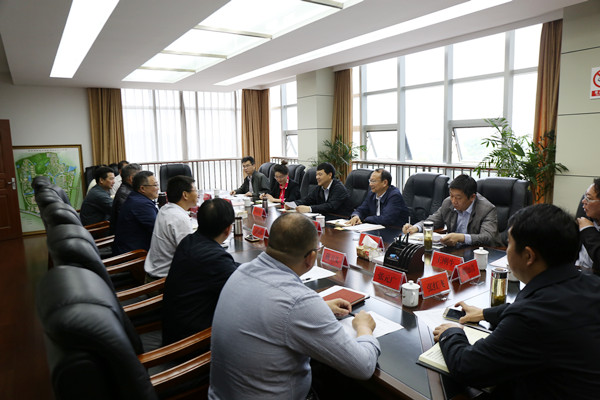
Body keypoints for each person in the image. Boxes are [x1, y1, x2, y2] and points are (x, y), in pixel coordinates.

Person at [432, 204, 600, 399]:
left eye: (509, 244)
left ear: (528, 256)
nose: (506, 250)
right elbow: (554, 311)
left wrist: (452, 333)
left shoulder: (530, 317)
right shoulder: (592, 285)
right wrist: (485, 313)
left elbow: (468, 368)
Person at [208, 213, 380, 399]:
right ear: (311, 257)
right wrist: (364, 328)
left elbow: (275, 309)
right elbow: (363, 367)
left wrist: (318, 307)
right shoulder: (298, 303)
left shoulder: (241, 271)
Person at [162, 198, 238, 345]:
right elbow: (242, 290)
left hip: (175, 327)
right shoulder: (215, 258)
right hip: (191, 343)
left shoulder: (190, 240)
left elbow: (229, 269)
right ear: (228, 229)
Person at [402, 174, 500, 247]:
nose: (453, 201)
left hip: (479, 252)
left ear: (472, 197)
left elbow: (488, 237)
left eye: (458, 198)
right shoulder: (448, 202)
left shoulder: (487, 209)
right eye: (451, 195)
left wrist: (461, 238)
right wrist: (416, 227)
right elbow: (433, 220)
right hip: (454, 250)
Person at [144, 176, 197, 282]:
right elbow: (191, 256)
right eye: (195, 190)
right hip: (164, 282)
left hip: (153, 276)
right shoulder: (179, 218)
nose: (198, 194)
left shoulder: (165, 209)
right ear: (185, 195)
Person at [112, 171, 159, 255]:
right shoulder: (142, 204)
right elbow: (158, 230)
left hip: (134, 249)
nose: (158, 188)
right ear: (142, 188)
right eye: (155, 185)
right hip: (134, 255)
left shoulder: (136, 197)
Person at [576, 178, 600, 275]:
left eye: (588, 198)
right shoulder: (585, 218)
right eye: (584, 196)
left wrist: (588, 230)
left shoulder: (587, 227)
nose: (583, 201)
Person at [110, 163, 141, 234]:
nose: (143, 179)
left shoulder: (130, 190)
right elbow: (129, 222)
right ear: (131, 178)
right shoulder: (125, 195)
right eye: (141, 177)